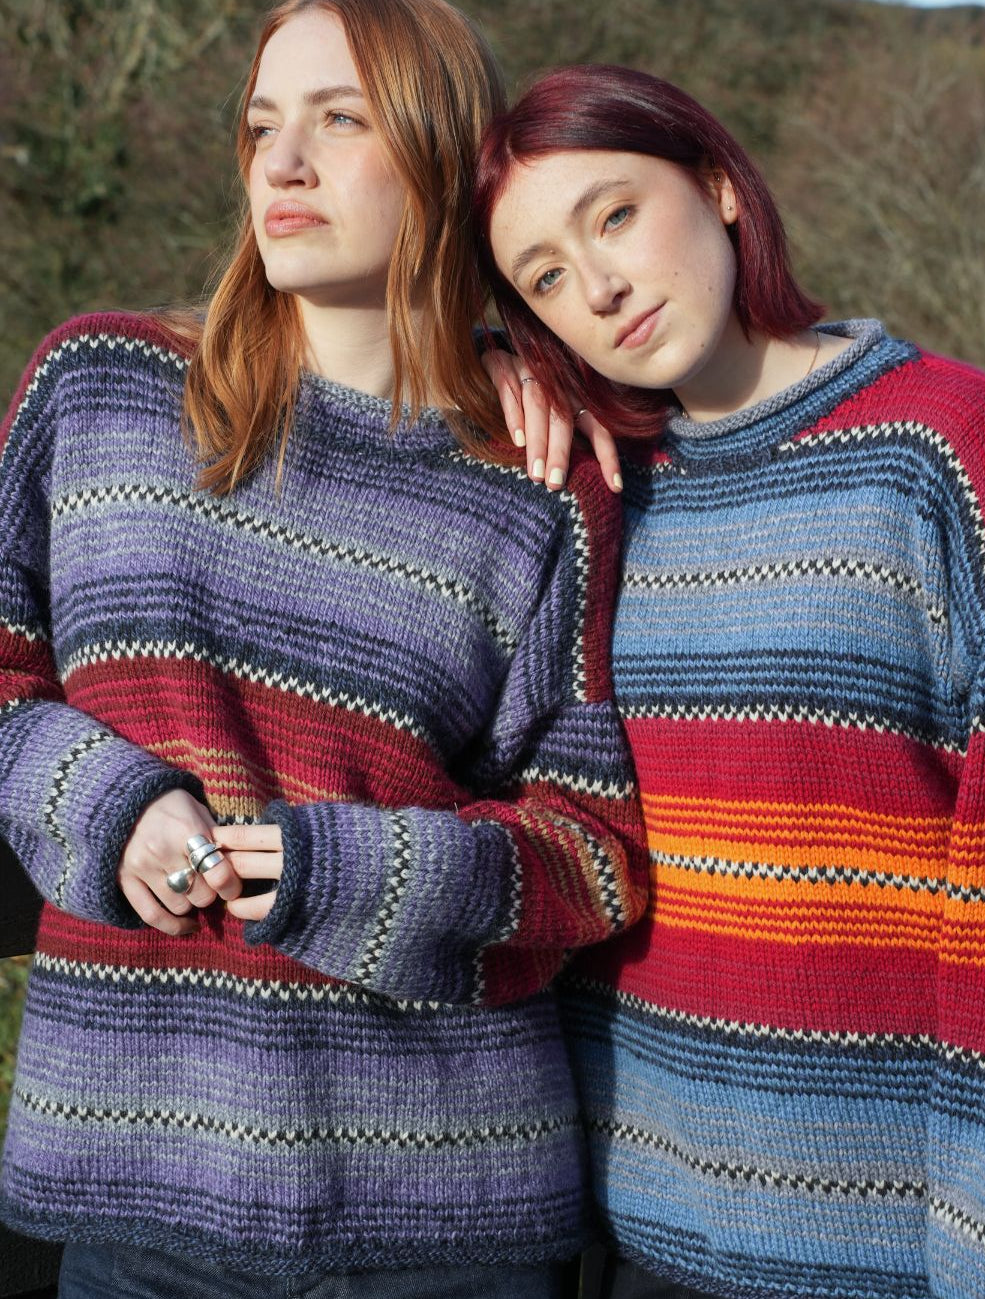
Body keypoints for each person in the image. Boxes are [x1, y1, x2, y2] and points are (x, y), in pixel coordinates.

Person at [0, 10, 649, 1295]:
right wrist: (102, 800)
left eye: (340, 119)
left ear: (445, 157)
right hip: (139, 1197)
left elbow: (590, 853)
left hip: (446, 1222)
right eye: (261, 125)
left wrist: (348, 869)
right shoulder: (100, 386)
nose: (282, 163)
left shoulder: (539, 484)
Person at [473, 62, 985, 1299]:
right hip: (632, 1238)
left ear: (715, 182)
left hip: (887, 1252)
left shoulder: (943, 449)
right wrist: (477, 357)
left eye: (614, 215)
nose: (599, 286)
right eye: (543, 279)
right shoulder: (595, 493)